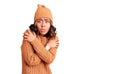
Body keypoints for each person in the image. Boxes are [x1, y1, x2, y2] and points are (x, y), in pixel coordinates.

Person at [21, 4, 59, 74]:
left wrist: (33, 41)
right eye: (39, 21)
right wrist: (47, 46)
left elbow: (49, 59)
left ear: (50, 24)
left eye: (47, 21)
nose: (43, 25)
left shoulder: (53, 38)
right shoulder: (29, 35)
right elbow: (31, 60)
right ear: (35, 23)